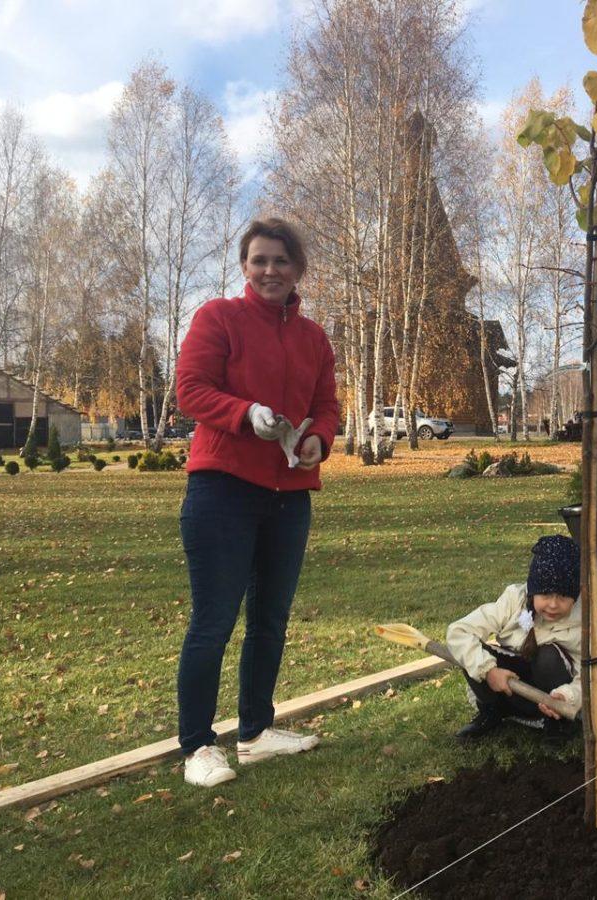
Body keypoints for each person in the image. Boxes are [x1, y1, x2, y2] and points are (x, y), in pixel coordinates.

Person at [175, 217, 340, 788]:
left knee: (270, 619)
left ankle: (254, 732)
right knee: (214, 620)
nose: (270, 270)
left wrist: (319, 439)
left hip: (289, 495)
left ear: (298, 269)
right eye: (259, 260)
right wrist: (245, 413)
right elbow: (191, 389)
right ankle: (198, 746)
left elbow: (327, 406)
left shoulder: (314, 338)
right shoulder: (218, 318)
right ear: (244, 266)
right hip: (222, 488)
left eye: (281, 261)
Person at [446, 535, 589, 740]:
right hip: (509, 690)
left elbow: (590, 675)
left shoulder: (582, 620)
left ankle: (556, 722)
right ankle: (492, 711)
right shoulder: (514, 600)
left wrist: (567, 696)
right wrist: (489, 671)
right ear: (533, 590)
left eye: (563, 596)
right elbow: (459, 631)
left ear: (575, 596)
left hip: (548, 698)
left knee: (548, 656)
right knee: (473, 651)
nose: (553, 604)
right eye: (546, 594)